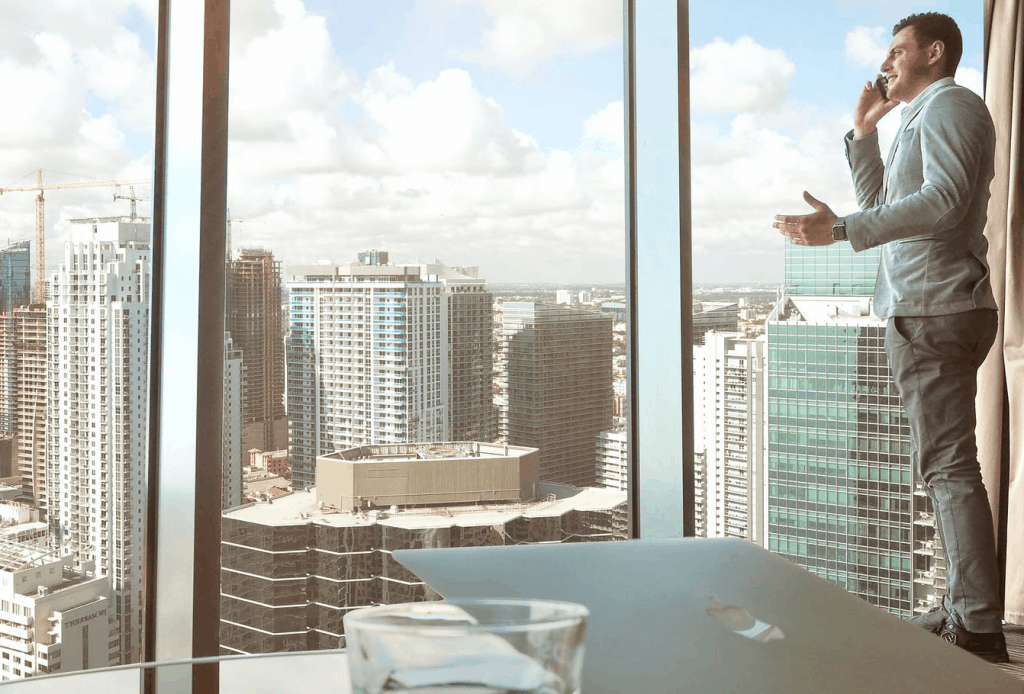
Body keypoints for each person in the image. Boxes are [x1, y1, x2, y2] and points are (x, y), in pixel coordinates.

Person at [772, 12, 1007, 663]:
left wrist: (842, 230)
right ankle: (965, 605)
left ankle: (979, 625)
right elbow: (885, 205)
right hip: (921, 307)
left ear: (934, 52)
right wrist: (864, 131)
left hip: (935, 309)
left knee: (949, 466)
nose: (886, 63)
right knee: (941, 464)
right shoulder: (918, 118)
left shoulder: (952, 105)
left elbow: (946, 201)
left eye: (897, 50)